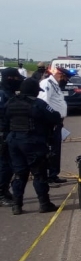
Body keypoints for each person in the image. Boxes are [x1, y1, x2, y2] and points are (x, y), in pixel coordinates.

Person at [4, 78, 62, 214]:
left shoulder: (10, 102)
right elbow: (55, 117)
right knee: (39, 173)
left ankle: (17, 206)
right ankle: (44, 204)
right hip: (32, 142)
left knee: (19, 174)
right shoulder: (38, 104)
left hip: (14, 141)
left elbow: (5, 121)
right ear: (34, 91)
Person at [38, 67, 71, 185]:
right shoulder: (47, 83)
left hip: (56, 122)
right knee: (51, 150)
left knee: (56, 150)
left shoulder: (55, 84)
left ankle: (53, 174)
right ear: (60, 75)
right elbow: (43, 103)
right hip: (50, 123)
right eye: (65, 78)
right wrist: (51, 119)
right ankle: (48, 176)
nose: (66, 81)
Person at [0, 68, 25, 206]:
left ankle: (4, 190)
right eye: (16, 79)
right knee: (4, 165)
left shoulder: (9, 93)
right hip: (3, 133)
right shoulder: (2, 94)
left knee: (9, 165)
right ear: (10, 79)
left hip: (9, 133)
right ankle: (0, 193)